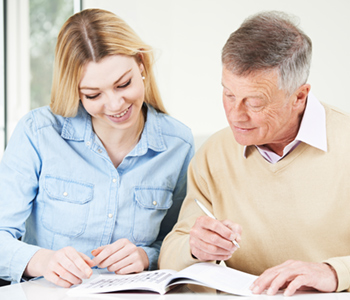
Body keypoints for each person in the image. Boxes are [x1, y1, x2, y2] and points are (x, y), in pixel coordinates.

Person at [159, 11, 350, 296]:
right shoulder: (214, 153)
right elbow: (172, 253)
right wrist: (194, 248)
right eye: (229, 95)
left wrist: (334, 273)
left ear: (299, 96)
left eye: (255, 102)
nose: (236, 115)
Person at [0, 8, 194, 287]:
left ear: (140, 64)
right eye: (93, 95)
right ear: (75, 91)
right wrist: (42, 260)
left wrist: (145, 255)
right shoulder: (39, 132)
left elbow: (179, 239)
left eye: (123, 83)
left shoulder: (178, 144)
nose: (116, 105)